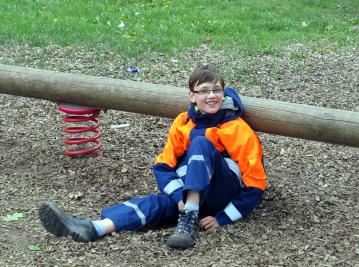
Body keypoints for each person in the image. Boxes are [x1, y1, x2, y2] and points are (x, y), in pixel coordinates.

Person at [39, 64, 267, 249]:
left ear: (223, 92)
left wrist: (224, 217)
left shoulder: (236, 127)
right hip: (191, 195)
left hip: (221, 193)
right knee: (152, 204)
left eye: (216, 90)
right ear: (192, 96)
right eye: (204, 90)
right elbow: (163, 166)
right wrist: (179, 197)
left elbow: (256, 184)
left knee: (200, 144)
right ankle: (94, 227)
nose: (211, 96)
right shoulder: (183, 122)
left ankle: (188, 218)